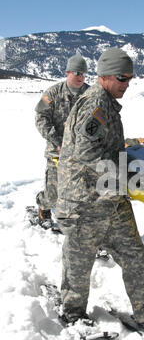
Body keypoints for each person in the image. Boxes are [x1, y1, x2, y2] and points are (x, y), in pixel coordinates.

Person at [55, 47, 144, 333]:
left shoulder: (106, 104)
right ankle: (72, 313)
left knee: (133, 255)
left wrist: (132, 148)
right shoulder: (94, 104)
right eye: (121, 77)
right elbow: (87, 155)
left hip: (112, 199)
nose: (126, 84)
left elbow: (105, 144)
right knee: (79, 263)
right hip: (84, 202)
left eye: (129, 78)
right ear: (104, 75)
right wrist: (130, 172)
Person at [35, 54, 89, 226]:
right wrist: (57, 141)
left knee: (83, 191)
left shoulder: (90, 94)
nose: (80, 77)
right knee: (53, 194)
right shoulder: (53, 93)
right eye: (77, 73)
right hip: (56, 152)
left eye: (83, 74)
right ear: (67, 73)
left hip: (82, 152)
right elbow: (41, 118)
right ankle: (43, 207)